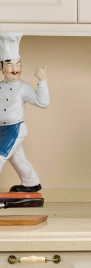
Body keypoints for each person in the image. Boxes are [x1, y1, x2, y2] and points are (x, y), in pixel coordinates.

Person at [0, 31, 49, 193]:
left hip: (15, 129)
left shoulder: (23, 87)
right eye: (9, 64)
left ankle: (31, 182)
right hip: (1, 129)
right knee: (17, 157)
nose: (15, 69)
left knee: (0, 155)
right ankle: (31, 182)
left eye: (18, 64)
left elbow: (42, 102)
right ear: (1, 67)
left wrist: (43, 81)